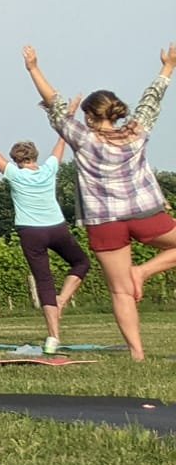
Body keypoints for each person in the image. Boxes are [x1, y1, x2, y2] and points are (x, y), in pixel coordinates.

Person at [22, 42, 176, 362]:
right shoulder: (136, 132)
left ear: (90, 117)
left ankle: (137, 354)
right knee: (138, 275)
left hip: (104, 222)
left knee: (120, 292)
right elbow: (151, 100)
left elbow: (54, 103)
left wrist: (34, 68)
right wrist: (167, 67)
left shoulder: (83, 137)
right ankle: (144, 272)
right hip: (145, 212)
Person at [0, 101, 87, 354]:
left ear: (16, 160)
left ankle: (53, 336)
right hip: (57, 227)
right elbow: (63, 138)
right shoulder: (50, 169)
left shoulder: (13, 174)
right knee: (81, 263)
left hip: (30, 233)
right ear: (35, 156)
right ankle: (63, 299)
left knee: (44, 281)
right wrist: (70, 113)